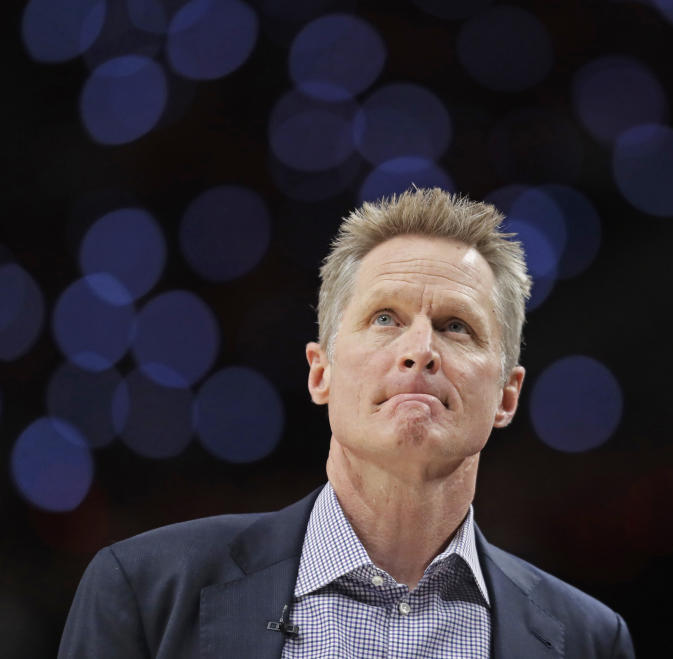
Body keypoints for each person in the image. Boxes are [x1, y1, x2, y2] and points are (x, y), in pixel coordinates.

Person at [59, 187, 635, 658]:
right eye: (385, 317)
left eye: (457, 325)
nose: (420, 350)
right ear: (321, 373)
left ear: (507, 396)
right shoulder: (144, 591)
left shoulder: (589, 641)